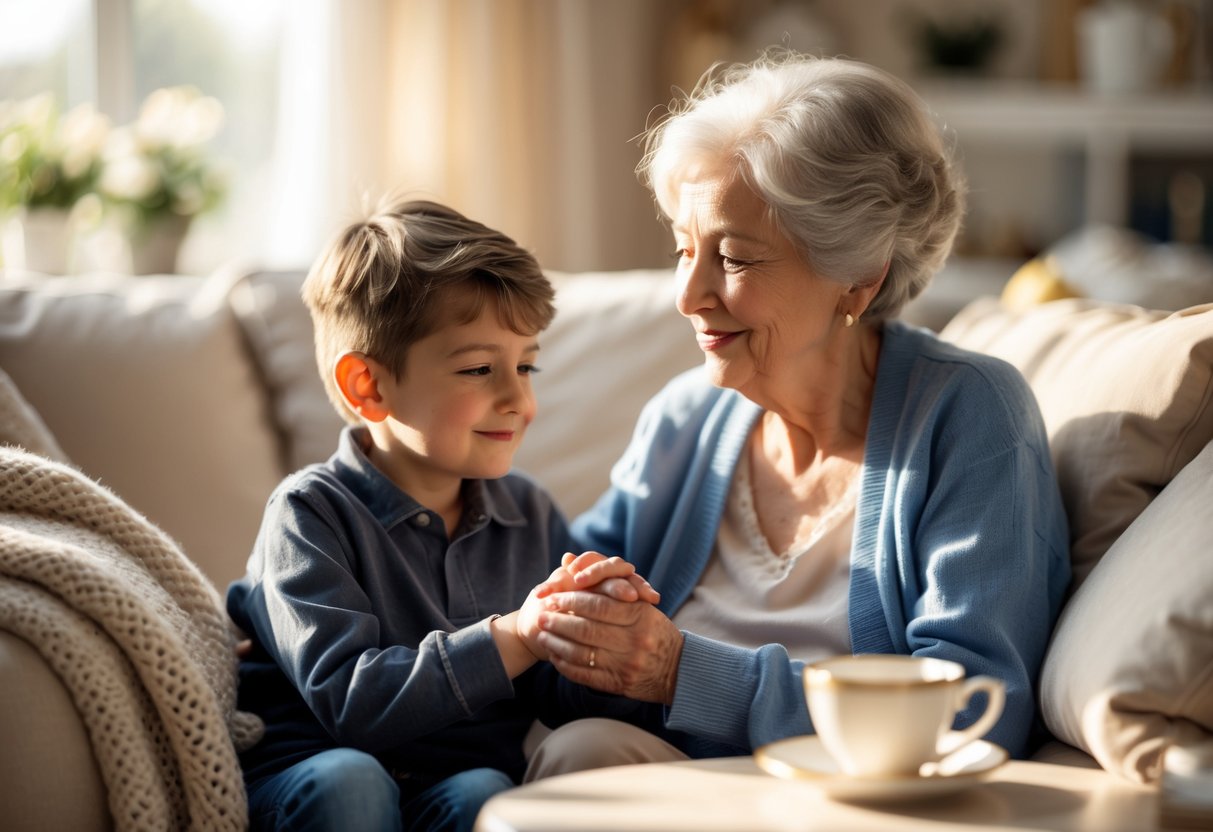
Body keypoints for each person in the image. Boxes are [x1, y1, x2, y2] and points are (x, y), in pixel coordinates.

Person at [523, 52, 1072, 777]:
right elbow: (567, 625)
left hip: (855, 799)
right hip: (662, 785)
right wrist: (575, 622)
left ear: (855, 278)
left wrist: (682, 673)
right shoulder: (684, 418)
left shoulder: (969, 415)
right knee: (577, 751)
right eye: (684, 250)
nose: (687, 295)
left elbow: (972, 708)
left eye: (735, 259)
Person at [226, 198, 657, 832]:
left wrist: (594, 635)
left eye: (526, 365)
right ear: (368, 387)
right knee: (353, 781)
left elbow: (552, 694)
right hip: (316, 782)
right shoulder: (308, 514)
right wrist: (514, 634)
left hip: (449, 789)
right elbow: (350, 700)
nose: (519, 398)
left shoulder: (528, 513)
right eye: (480, 369)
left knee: (489, 792)